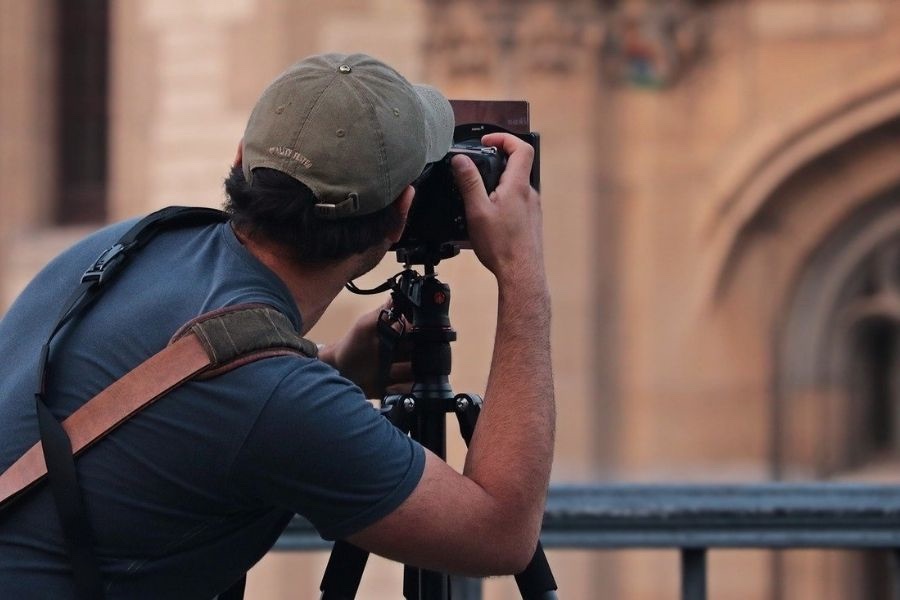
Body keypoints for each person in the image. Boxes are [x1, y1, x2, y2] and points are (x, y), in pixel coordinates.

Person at [0, 53, 554, 598]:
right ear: (400, 213)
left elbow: (197, 405)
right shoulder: (277, 399)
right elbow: (500, 536)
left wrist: (329, 365)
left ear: (242, 160)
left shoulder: (128, 245)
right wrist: (520, 272)